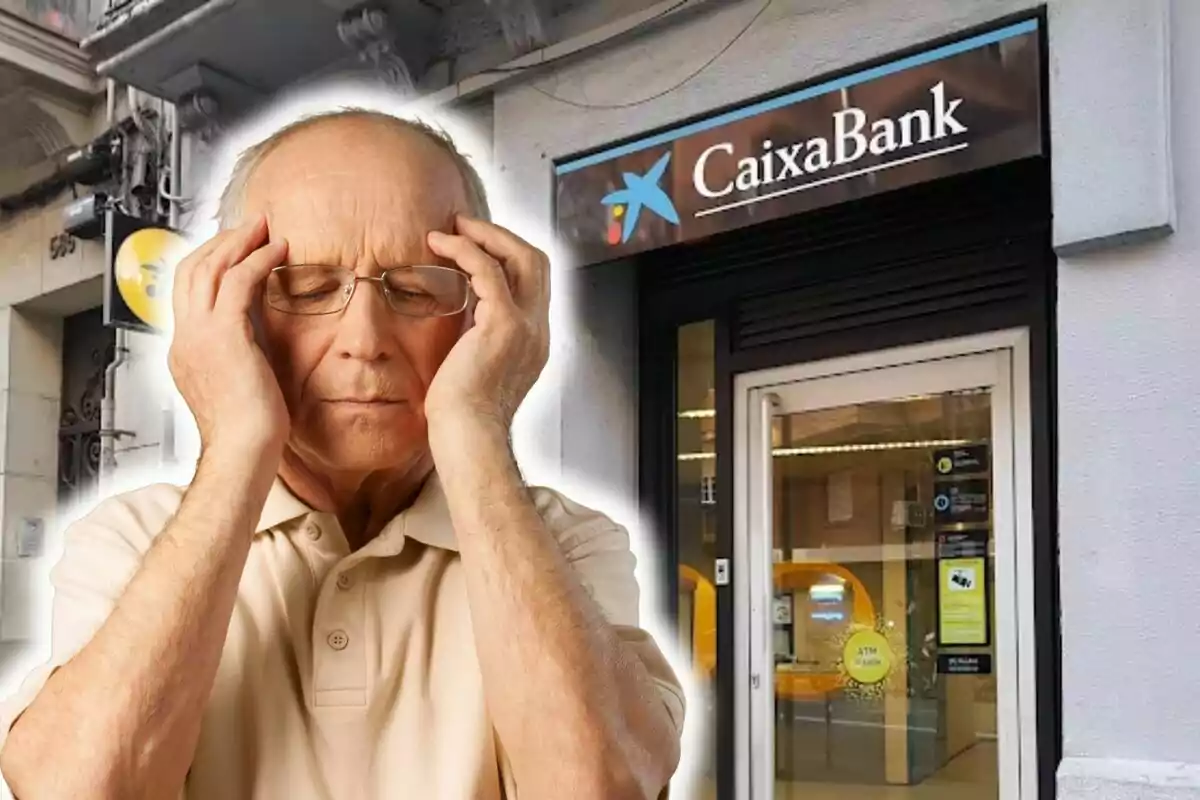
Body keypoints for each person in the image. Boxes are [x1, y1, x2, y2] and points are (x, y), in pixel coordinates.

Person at [0, 109, 684, 799]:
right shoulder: (133, 538)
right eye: (307, 289)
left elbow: (602, 785)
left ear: (481, 313)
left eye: (415, 289)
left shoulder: (564, 542)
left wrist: (475, 426)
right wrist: (239, 441)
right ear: (230, 314)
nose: (365, 338)